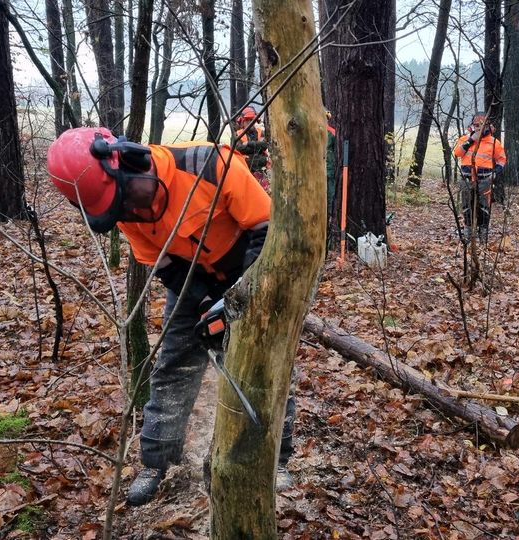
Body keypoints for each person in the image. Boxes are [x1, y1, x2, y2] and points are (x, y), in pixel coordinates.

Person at [46, 127, 296, 506]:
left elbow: (266, 229)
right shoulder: (125, 213)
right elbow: (167, 269)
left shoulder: (210, 165)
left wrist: (236, 300)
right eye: (121, 210)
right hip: (191, 276)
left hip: (251, 262)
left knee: (269, 362)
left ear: (131, 161)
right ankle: (158, 461)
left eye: (130, 198)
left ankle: (276, 459)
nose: (134, 212)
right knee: (174, 364)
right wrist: (206, 304)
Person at [453, 112, 507, 242]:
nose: (478, 128)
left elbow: (501, 159)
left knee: (484, 207)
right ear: (472, 125)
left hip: (485, 180)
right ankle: (468, 234)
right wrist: (471, 140)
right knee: (466, 206)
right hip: (466, 179)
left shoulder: (494, 142)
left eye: (481, 125)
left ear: (487, 125)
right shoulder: (464, 139)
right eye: (476, 125)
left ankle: (483, 234)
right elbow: (457, 153)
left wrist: (494, 173)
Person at [234, 106, 272, 191]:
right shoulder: (238, 134)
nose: (249, 122)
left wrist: (249, 144)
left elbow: (264, 145)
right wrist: (257, 147)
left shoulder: (260, 132)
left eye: (251, 120)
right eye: (247, 120)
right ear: (242, 121)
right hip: (246, 169)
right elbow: (239, 149)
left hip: (261, 169)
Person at [325, 110, 337, 246]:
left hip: (329, 172)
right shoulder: (314, 133)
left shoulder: (332, 133)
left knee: (330, 200)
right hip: (320, 173)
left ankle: (329, 224)